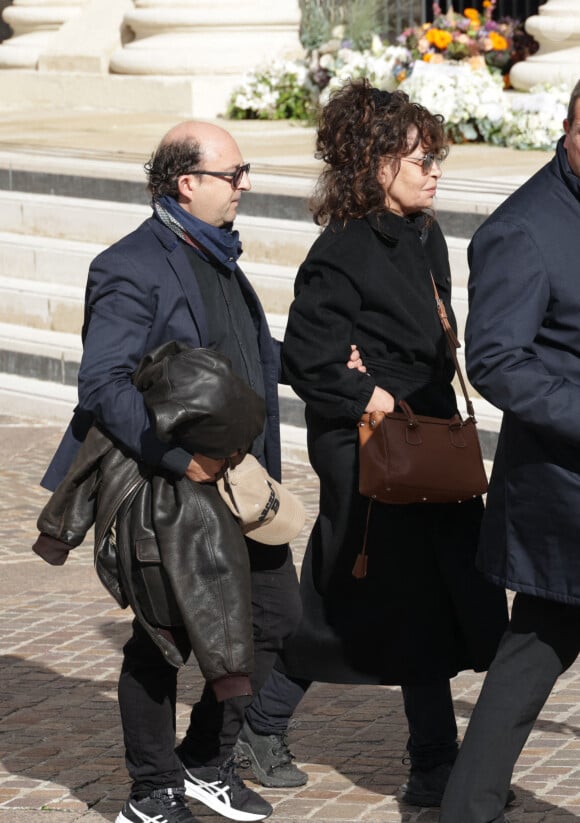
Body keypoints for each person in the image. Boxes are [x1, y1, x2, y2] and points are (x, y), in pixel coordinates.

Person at [234, 78, 509, 807]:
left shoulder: (426, 234)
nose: (435, 170)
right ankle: (272, 726)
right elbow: (306, 356)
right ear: (375, 163)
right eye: (420, 158)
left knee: (431, 598)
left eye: (436, 156)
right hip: (367, 449)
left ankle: (431, 764)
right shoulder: (343, 249)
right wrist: (374, 394)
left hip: (426, 440)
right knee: (357, 596)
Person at [38, 120, 306, 823]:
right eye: (233, 173)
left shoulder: (217, 254)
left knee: (276, 617)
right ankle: (152, 790)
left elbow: (248, 352)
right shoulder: (131, 263)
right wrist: (179, 459)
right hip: (168, 485)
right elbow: (102, 383)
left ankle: (204, 762)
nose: (244, 185)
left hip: (237, 479)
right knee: (165, 636)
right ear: (187, 183)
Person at [439, 79, 580, 823]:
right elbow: (494, 358)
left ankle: (469, 803)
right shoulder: (521, 229)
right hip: (566, 487)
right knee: (535, 643)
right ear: (567, 127)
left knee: (536, 645)